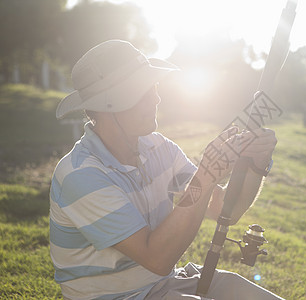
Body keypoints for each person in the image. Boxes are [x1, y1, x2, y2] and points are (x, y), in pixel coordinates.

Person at [49, 39, 281, 300]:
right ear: (108, 105)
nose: (157, 98)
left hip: (166, 284)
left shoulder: (160, 148)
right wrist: (205, 175)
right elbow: (157, 259)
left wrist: (256, 164)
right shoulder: (80, 174)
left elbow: (225, 209)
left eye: (154, 87)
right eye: (143, 92)